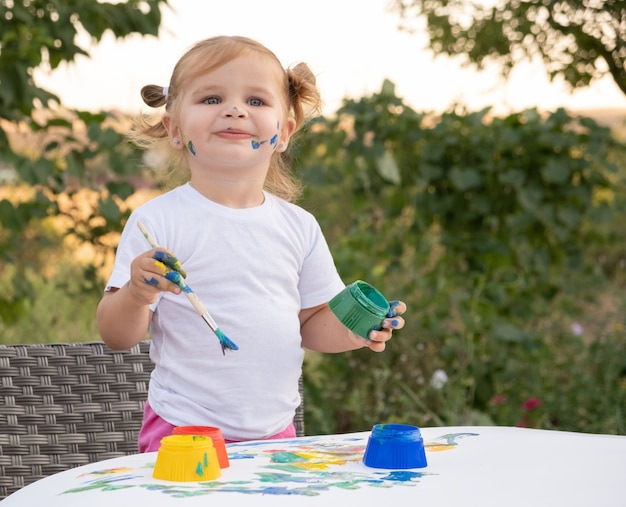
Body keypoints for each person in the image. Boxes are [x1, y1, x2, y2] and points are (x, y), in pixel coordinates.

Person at [96, 35, 407, 452]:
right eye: (210, 99)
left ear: (284, 132)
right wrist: (136, 294)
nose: (235, 109)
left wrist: (359, 329)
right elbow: (116, 335)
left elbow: (312, 327)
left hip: (275, 436)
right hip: (184, 436)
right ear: (174, 128)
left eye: (257, 101)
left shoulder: (299, 226)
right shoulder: (158, 221)